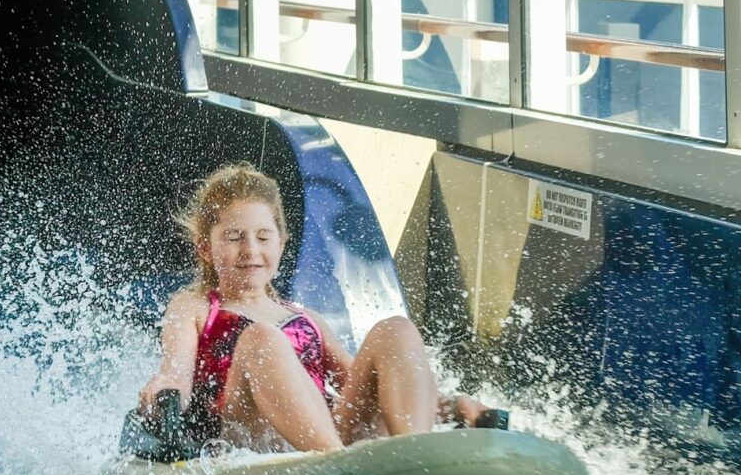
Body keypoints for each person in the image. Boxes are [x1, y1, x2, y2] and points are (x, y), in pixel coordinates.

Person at [138, 163, 491, 453]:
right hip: (246, 442)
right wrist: (162, 392)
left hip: (324, 438)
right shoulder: (196, 307)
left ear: (281, 244)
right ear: (205, 248)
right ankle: (334, 462)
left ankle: (416, 455)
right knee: (260, 339)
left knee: (396, 330)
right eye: (233, 238)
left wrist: (452, 406)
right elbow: (176, 373)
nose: (250, 250)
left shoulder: (307, 320)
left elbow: (371, 385)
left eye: (263, 237)